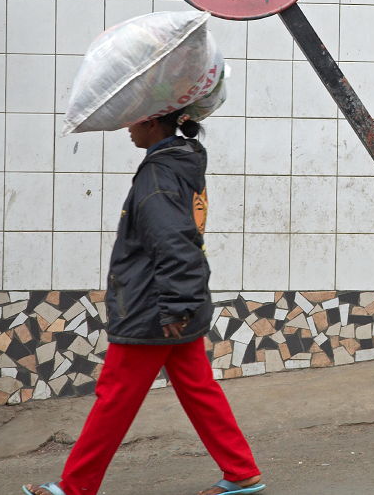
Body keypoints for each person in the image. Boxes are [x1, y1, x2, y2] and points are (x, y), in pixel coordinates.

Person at [24, 111, 265, 495]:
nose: (127, 128)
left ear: (153, 123)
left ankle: (76, 487)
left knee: (114, 397)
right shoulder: (179, 163)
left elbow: (174, 242)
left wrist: (174, 305)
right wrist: (181, 303)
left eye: (133, 121)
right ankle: (240, 470)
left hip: (153, 308)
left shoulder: (158, 173)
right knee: (198, 389)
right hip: (172, 303)